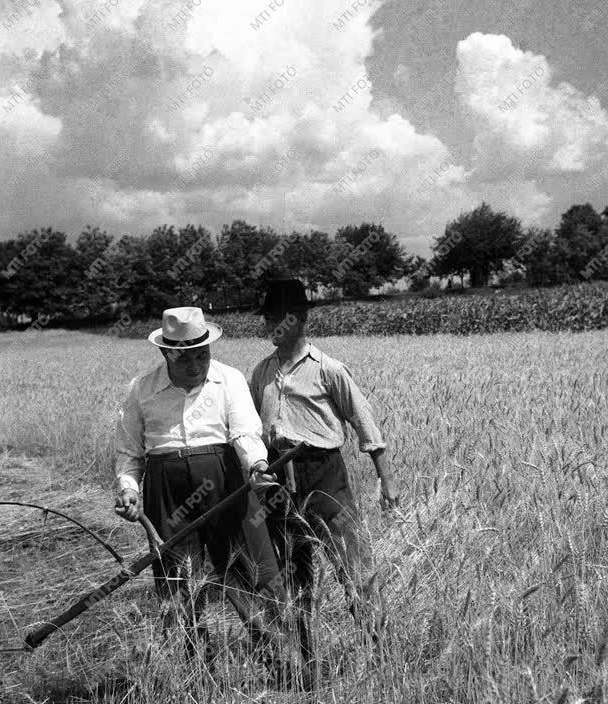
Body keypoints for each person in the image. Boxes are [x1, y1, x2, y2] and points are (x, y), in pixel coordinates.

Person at [249, 279, 399, 679]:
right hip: (278, 480)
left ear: (297, 319)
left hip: (324, 477)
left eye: (277, 317)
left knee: (353, 569)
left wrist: (387, 481)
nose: (270, 324)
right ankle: (307, 662)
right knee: (293, 576)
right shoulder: (261, 373)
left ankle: (381, 656)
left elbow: (364, 422)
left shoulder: (328, 369)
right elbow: (249, 430)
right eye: (268, 317)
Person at [114, 306, 278, 662]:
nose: (196, 365)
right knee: (176, 577)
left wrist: (258, 465)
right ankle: (195, 667)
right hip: (166, 487)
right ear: (165, 353)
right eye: (185, 358)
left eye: (202, 355)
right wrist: (129, 488)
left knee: (246, 567)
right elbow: (129, 450)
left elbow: (246, 431)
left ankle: (278, 657)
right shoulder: (142, 388)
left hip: (224, 478)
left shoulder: (229, 379)